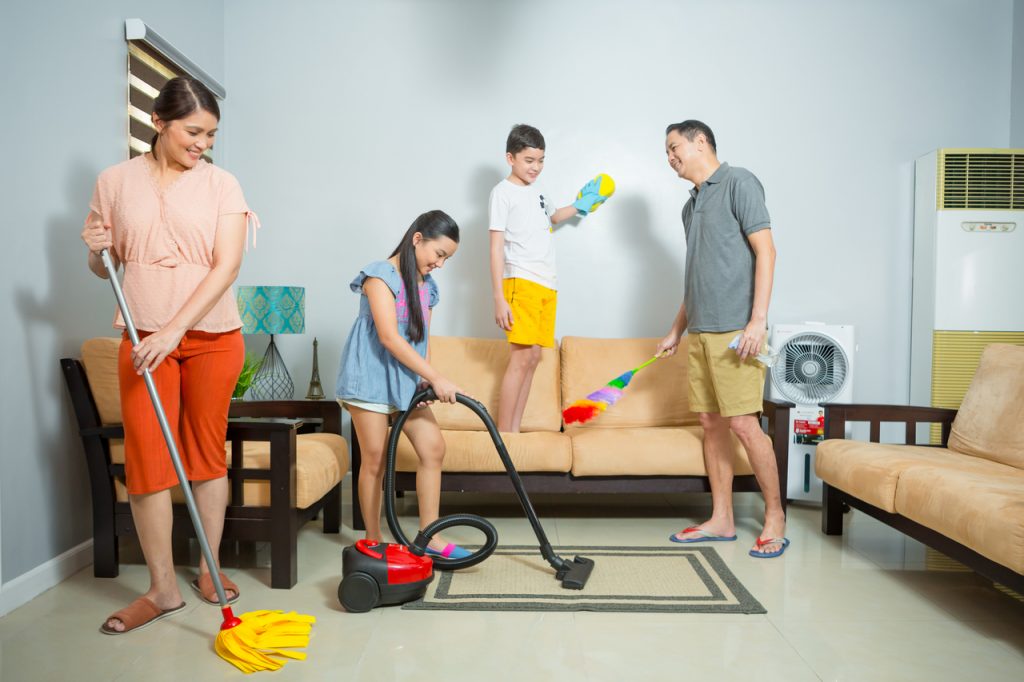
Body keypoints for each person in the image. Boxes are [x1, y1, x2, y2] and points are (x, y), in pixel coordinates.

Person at [82, 76, 255, 633]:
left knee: (205, 454)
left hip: (210, 337)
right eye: (193, 131)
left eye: (211, 134)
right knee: (148, 463)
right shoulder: (114, 181)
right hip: (144, 339)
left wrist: (174, 332)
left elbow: (226, 265)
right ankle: (161, 591)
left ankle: (209, 567)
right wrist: (96, 252)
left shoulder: (222, 185)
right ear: (158, 123)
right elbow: (104, 265)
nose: (203, 143)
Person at [656, 120, 788, 559]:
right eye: (667, 151)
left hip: (738, 331)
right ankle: (722, 519)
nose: (670, 156)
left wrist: (758, 321)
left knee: (744, 424)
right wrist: (677, 328)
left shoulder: (739, 182)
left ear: (700, 141)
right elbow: (697, 277)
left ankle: (775, 517)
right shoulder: (689, 207)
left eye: (675, 147)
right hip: (701, 331)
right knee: (712, 424)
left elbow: (765, 251)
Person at [335, 210, 470, 559]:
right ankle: (374, 540)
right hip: (370, 377)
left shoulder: (429, 287)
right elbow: (389, 338)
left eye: (447, 258)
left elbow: (420, 340)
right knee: (376, 458)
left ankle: (431, 535)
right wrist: (437, 377)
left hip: (404, 381)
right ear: (417, 239)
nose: (441, 263)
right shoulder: (379, 276)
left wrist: (425, 377)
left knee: (433, 448)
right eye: (439, 254)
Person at [490, 124, 607, 432]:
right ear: (510, 158)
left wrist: (584, 203)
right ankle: (505, 437)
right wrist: (499, 298)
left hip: (546, 285)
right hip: (520, 282)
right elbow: (495, 247)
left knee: (534, 359)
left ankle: (513, 430)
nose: (536, 167)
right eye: (529, 160)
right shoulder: (502, 193)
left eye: (541, 160)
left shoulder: (539, 191)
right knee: (520, 359)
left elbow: (554, 217)